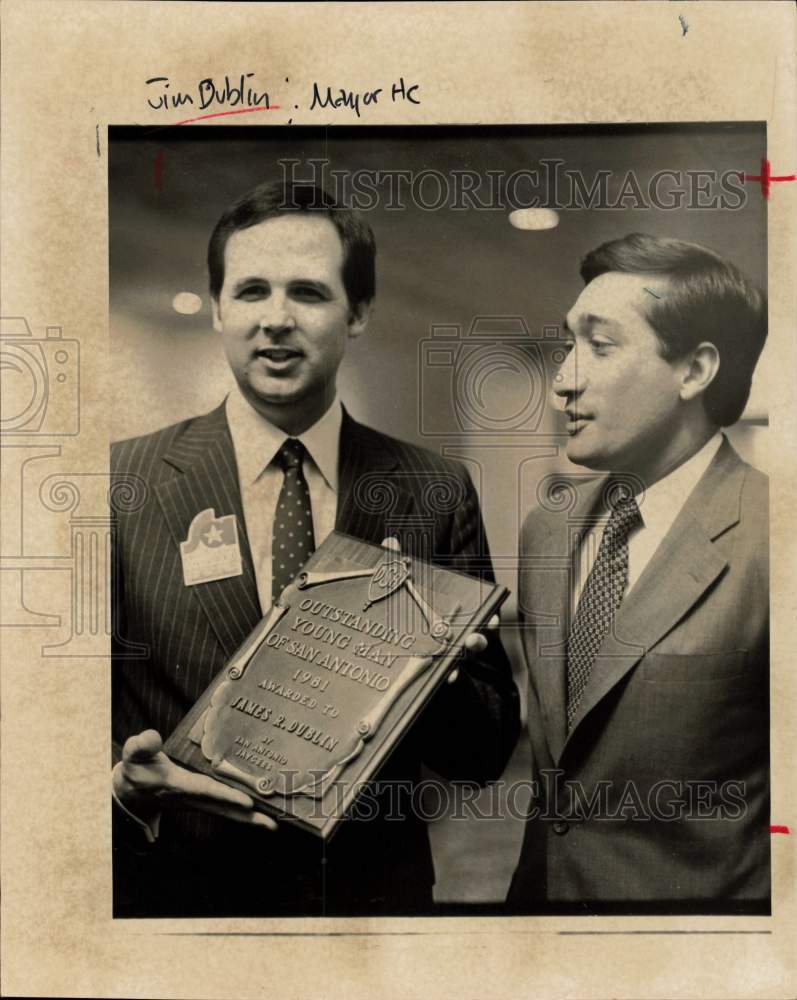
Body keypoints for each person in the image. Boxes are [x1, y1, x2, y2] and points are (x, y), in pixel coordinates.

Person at [110, 179, 520, 918]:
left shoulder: (433, 490)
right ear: (218, 307)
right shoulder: (120, 483)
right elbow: (40, 727)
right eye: (251, 291)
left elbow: (483, 754)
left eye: (307, 292)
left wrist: (437, 672)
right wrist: (120, 789)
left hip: (370, 906)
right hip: (176, 903)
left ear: (356, 313)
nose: (276, 318)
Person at [507, 233, 769, 913]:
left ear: (694, 370)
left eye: (600, 346)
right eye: (568, 344)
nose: (563, 381)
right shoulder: (547, 529)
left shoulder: (776, 537)